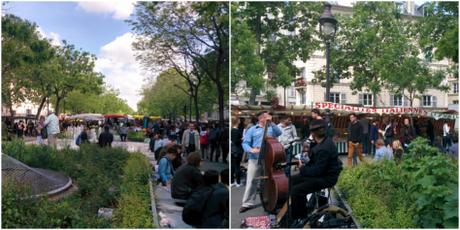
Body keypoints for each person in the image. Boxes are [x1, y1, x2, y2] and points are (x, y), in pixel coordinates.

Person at [290, 119, 342, 219]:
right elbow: (313, 160)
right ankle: (303, 207)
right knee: (293, 180)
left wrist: (302, 168)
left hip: (326, 178)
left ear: (312, 133)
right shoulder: (323, 142)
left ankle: (300, 217)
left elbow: (317, 171)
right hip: (322, 174)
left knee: (296, 190)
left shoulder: (324, 148)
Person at [240, 111, 282, 213]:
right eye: (264, 116)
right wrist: (251, 150)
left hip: (269, 158)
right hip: (255, 158)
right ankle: (247, 203)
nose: (267, 117)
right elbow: (245, 143)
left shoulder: (271, 128)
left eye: (267, 116)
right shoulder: (252, 130)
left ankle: (273, 199)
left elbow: (279, 132)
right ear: (260, 118)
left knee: (271, 180)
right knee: (252, 181)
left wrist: (271, 122)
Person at [231, 117, 244, 187]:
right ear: (237, 122)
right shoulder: (237, 131)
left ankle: (232, 181)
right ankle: (238, 182)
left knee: (232, 166)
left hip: (232, 150)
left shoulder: (231, 130)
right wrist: (242, 139)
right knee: (237, 166)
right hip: (237, 150)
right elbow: (236, 141)